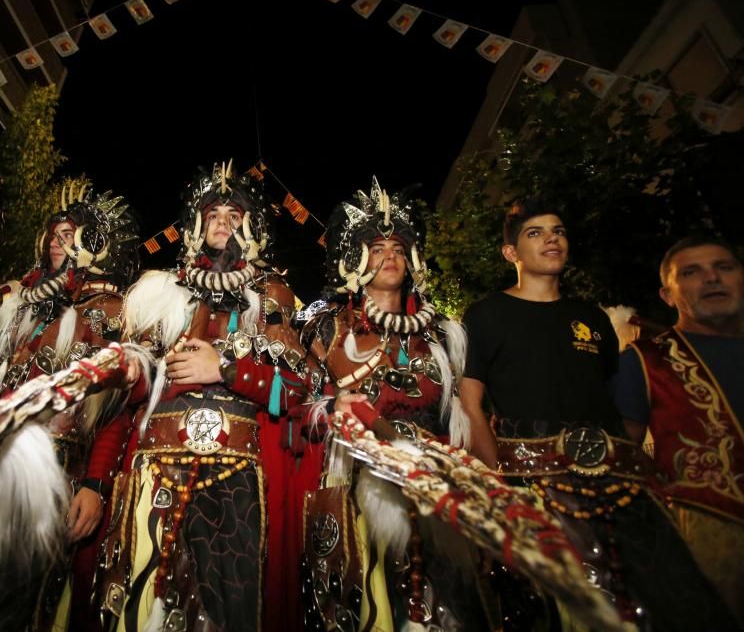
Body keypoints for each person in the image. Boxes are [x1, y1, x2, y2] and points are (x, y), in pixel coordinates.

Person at [461, 198, 737, 630]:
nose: (552, 238)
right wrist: (498, 485)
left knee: (674, 602)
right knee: (564, 611)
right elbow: (470, 405)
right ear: (511, 253)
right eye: (535, 233)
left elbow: (617, 404)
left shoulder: (589, 316)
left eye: (559, 230)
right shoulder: (485, 314)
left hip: (620, 485)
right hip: (534, 487)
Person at [0, 177, 142, 631]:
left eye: (70, 236)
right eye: (54, 235)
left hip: (52, 469)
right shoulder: (21, 305)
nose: (58, 243)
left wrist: (95, 484)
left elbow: (115, 414)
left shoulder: (113, 311)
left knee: (13, 599)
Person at [95, 161, 313, 632]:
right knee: (141, 601)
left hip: (238, 470)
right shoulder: (160, 293)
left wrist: (227, 370)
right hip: (156, 464)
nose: (222, 220)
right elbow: (136, 391)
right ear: (196, 224)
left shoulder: (272, 293)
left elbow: (297, 392)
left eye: (234, 215)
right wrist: (125, 369)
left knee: (229, 607)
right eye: (213, 212)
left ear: (251, 227)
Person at [299, 179, 492, 630]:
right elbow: (301, 403)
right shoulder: (326, 328)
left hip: (437, 481)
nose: (391, 257)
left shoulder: (445, 332)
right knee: (375, 603)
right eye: (378, 247)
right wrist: (331, 407)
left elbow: (463, 414)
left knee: (451, 605)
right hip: (361, 477)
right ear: (355, 259)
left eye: (399, 248)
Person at [613, 235, 744, 626]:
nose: (711, 279)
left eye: (723, 267)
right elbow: (623, 463)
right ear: (667, 295)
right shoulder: (643, 363)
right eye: (691, 273)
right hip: (711, 545)